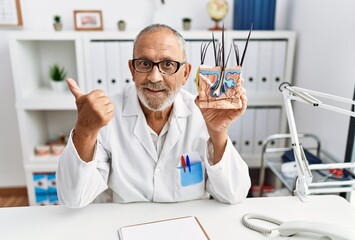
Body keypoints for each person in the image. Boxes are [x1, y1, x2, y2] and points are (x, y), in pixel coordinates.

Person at [57, 24, 251, 208]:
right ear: (132, 70)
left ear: (185, 73)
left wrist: (218, 133)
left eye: (167, 64)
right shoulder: (105, 115)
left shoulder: (204, 113)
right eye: (144, 63)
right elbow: (74, 198)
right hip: (125, 224)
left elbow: (233, 194)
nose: (154, 77)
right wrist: (84, 130)